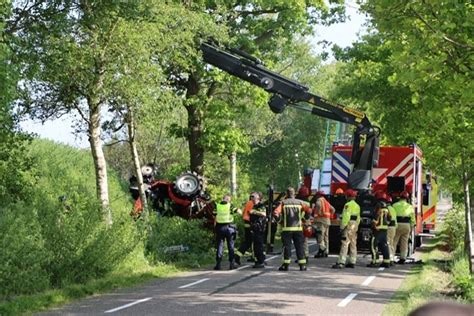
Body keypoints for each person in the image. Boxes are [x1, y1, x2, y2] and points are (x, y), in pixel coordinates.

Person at [274, 186, 312, 271]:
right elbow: (309, 210)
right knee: (299, 247)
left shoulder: (283, 203)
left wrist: (279, 221)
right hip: (298, 229)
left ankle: (285, 265)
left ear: (287, 194)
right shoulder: (300, 202)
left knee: (287, 247)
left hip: (287, 229)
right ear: (294, 194)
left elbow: (276, 213)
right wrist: (305, 219)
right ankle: (302, 265)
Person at [332, 189, 360, 269]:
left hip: (348, 225)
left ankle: (341, 262)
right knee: (353, 243)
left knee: (345, 243)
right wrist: (356, 226)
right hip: (354, 225)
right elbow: (358, 218)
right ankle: (352, 261)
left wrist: (342, 227)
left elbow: (346, 217)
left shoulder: (347, 205)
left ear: (348, 196)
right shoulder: (357, 206)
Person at [213, 194, 238, 270]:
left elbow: (214, 215)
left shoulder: (217, 206)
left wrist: (214, 227)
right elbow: (237, 211)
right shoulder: (230, 206)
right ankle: (231, 264)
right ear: (228, 199)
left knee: (220, 245)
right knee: (231, 246)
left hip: (219, 227)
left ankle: (218, 264)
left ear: (223, 198)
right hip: (229, 227)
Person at [392, 191, 415, 264]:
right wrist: (411, 227)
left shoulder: (395, 205)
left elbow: (392, 216)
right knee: (404, 242)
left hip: (397, 225)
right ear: (407, 198)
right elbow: (413, 219)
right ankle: (403, 257)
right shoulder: (410, 207)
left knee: (394, 241)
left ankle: (391, 257)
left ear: (400, 197)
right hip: (406, 225)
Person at [367, 199, 391, 268]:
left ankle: (375, 261)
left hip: (378, 231)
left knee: (373, 246)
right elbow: (390, 219)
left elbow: (375, 220)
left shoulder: (379, 211)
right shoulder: (387, 211)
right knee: (384, 246)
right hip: (385, 231)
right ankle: (387, 261)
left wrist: (373, 226)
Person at [313, 190, 335, 258]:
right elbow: (333, 209)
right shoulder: (326, 202)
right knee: (326, 237)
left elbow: (318, 206)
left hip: (320, 221)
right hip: (327, 221)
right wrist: (330, 216)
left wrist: (318, 213)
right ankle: (326, 252)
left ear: (318, 195)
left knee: (320, 236)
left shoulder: (319, 200)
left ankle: (322, 249)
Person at [234, 194, 255, 266]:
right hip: (250, 224)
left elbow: (244, 213)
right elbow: (251, 213)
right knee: (252, 242)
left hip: (247, 224)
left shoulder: (248, 203)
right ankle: (256, 258)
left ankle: (237, 256)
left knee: (248, 242)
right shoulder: (252, 203)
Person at [248, 192, 267, 268]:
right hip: (254, 228)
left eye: (253, 197)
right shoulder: (254, 206)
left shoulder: (261, 205)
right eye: (251, 197)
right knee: (256, 246)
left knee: (259, 245)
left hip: (259, 228)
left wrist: (254, 212)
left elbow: (264, 214)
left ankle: (261, 261)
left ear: (257, 198)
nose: (251, 198)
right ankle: (257, 261)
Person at [296, 186, 312, 261]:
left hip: (300, 222)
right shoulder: (308, 202)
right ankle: (306, 255)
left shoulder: (298, 201)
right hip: (306, 221)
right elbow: (308, 213)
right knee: (305, 240)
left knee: (300, 240)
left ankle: (302, 256)